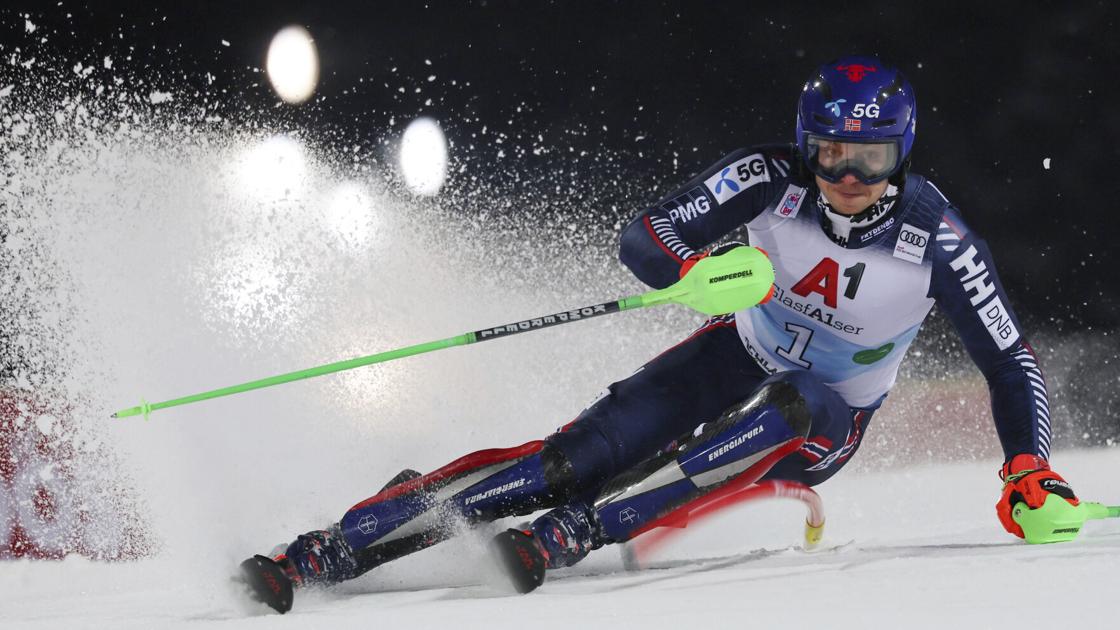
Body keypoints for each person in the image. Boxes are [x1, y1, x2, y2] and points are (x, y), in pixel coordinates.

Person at [241, 55, 1078, 610]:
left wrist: (1027, 468)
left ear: (903, 154)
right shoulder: (768, 176)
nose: (847, 178)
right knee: (568, 461)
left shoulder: (938, 238)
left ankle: (582, 530)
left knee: (796, 398)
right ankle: (329, 548)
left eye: (871, 160)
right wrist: (689, 273)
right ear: (804, 146)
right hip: (734, 350)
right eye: (829, 154)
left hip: (827, 416)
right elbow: (646, 235)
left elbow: (1009, 361)